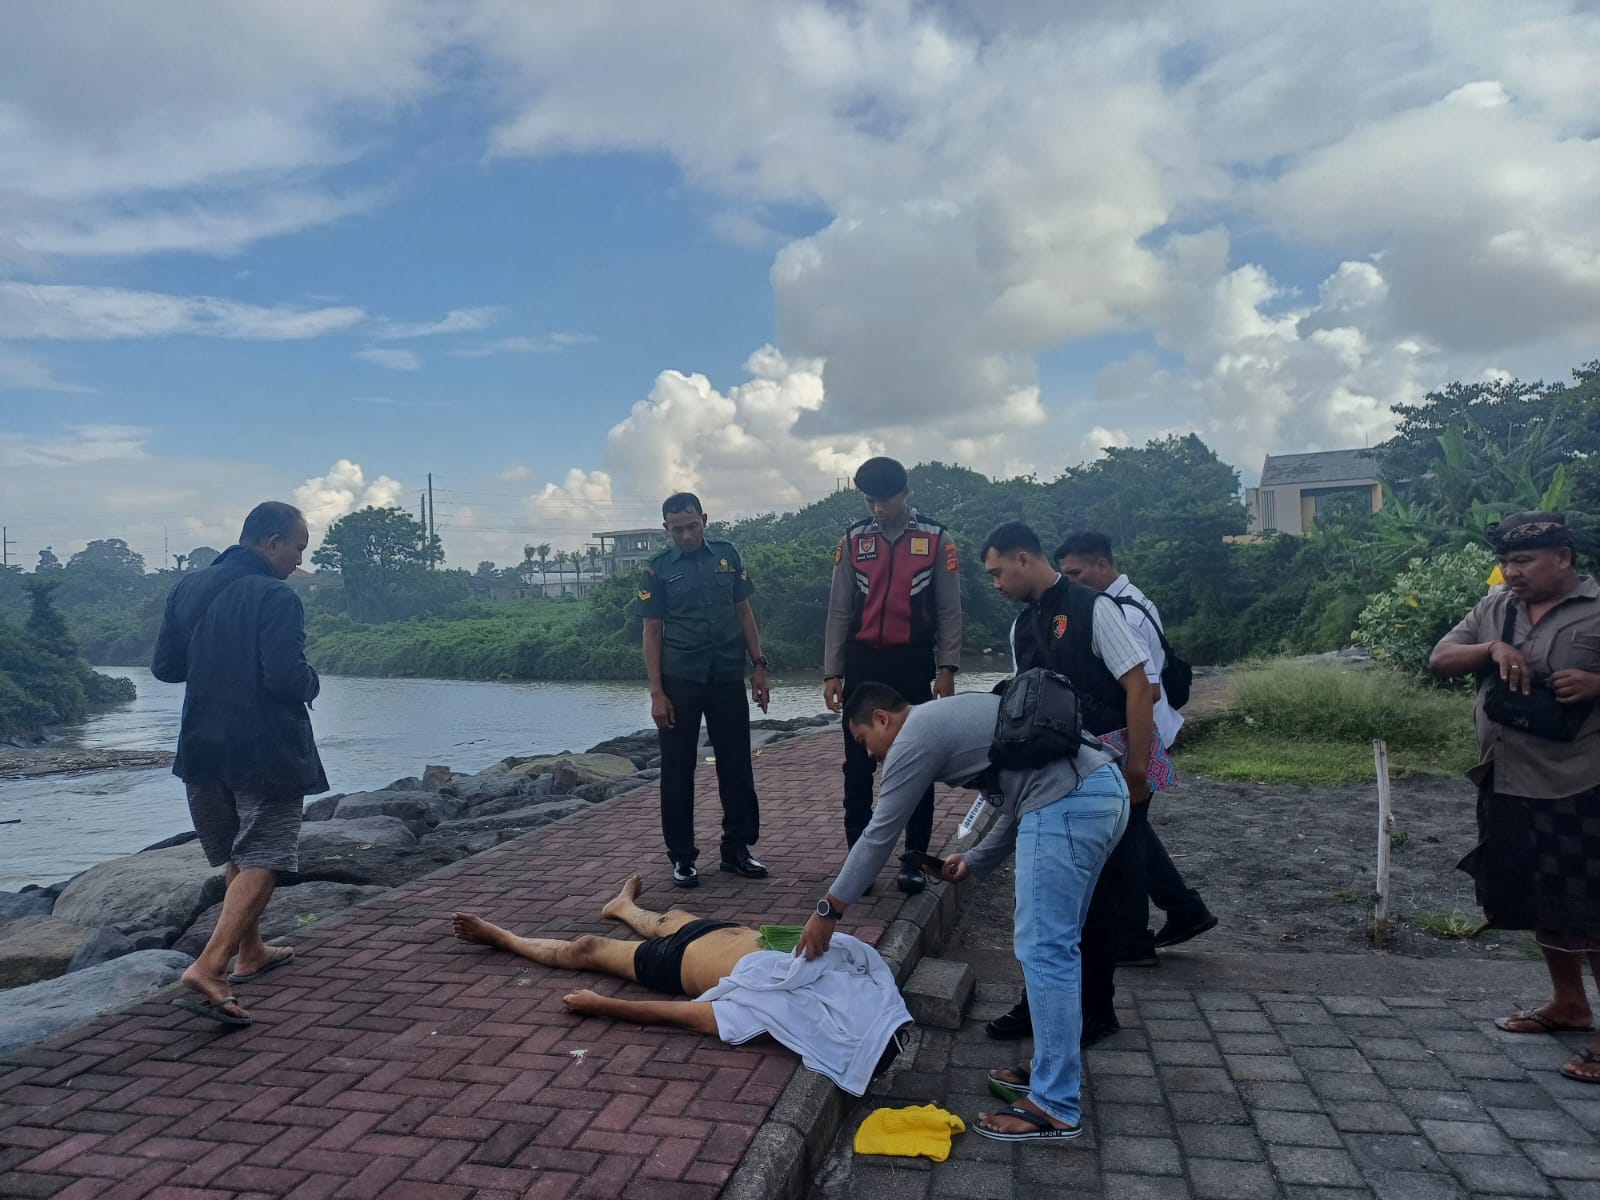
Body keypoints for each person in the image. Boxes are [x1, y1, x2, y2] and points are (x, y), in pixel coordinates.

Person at [796, 682, 1130, 1141]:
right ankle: (1052, 1068)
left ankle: (1055, 1105)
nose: (870, 755)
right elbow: (1020, 793)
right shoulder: (949, 714)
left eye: (862, 741)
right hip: (1098, 791)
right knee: (1057, 947)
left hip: (1068, 804)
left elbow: (880, 833)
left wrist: (828, 909)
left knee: (1045, 950)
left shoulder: (914, 736)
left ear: (881, 718)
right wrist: (975, 860)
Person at [451, 875, 911, 1095]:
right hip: (727, 930)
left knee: (589, 948)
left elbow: (691, 1016)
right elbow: (866, 962)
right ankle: (624, 907)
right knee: (667, 918)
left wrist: (606, 1006)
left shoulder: (787, 1016)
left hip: (676, 965)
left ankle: (502, 937)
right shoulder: (855, 977)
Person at [1429, 511, 1600, 1086]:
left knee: (1592, 907)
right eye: (1506, 561)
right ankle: (1569, 1005)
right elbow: (1441, 658)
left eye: (1524, 560)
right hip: (1506, 776)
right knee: (1539, 900)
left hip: (1580, 781)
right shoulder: (1494, 609)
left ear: (1565, 557)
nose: (1511, 571)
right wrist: (1492, 649)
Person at [151, 501, 325, 1027]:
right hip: (263, 747)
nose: (298, 561)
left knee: (236, 850)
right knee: (266, 855)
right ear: (270, 542)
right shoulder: (275, 596)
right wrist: (313, 681)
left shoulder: (187, 588)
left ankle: (252, 953)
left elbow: (165, 668)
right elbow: (286, 679)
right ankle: (210, 964)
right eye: (297, 547)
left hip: (202, 743)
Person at [980, 522, 1153, 1048]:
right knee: (1043, 901)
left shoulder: (1093, 608)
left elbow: (1139, 687)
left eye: (997, 572)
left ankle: (1097, 1010)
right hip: (1046, 782)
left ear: (1025, 558)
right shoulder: (1022, 628)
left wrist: (1137, 773)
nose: (995, 583)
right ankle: (1038, 1006)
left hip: (1106, 776)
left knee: (1100, 899)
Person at [1056, 531, 1216, 964]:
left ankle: (1134, 940)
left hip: (1133, 739)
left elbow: (1145, 689)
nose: (1070, 582)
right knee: (1131, 830)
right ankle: (1184, 908)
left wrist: (1136, 764)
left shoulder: (1116, 613)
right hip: (1140, 737)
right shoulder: (1137, 600)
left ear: (1101, 565)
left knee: (1124, 838)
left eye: (1075, 572)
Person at [823, 456, 963, 895]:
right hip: (863, 663)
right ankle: (858, 865)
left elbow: (948, 609)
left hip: (912, 662)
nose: (877, 508)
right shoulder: (852, 540)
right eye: (870, 500)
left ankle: (913, 860)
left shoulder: (936, 539)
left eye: (884, 499)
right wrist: (833, 672)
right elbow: (840, 610)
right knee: (858, 767)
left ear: (905, 494)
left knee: (917, 761)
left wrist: (947, 668)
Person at [639, 492, 771, 888]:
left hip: (727, 675)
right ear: (666, 530)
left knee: (737, 764)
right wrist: (657, 694)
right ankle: (682, 857)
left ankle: (737, 850)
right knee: (678, 771)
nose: (686, 534)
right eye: (677, 528)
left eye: (692, 525)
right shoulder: (656, 569)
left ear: (704, 520)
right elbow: (652, 631)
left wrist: (759, 666)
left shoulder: (727, 555)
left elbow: (743, 611)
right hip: (681, 680)